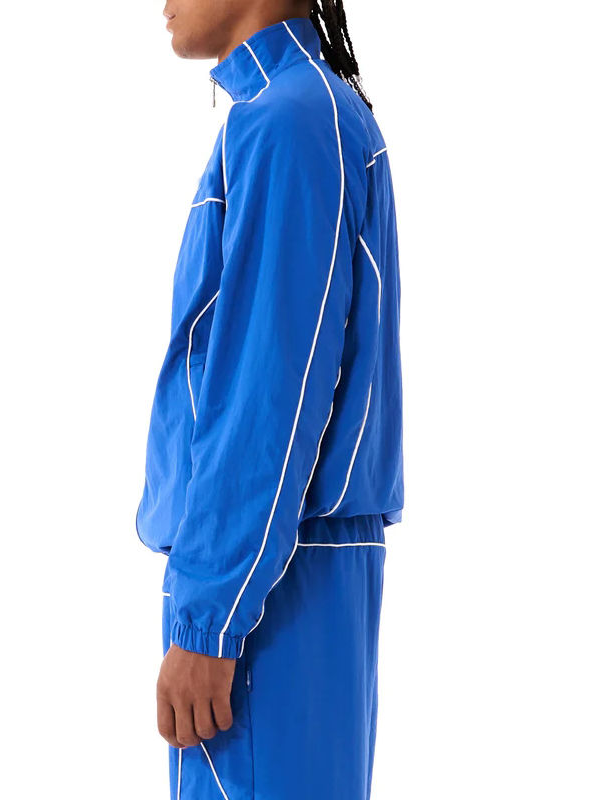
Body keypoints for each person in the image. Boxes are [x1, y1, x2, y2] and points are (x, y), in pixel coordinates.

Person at [136, 1, 403, 797]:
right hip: (284, 570)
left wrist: (210, 618)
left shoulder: (287, 121)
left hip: (268, 589)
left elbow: (267, 389)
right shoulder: (298, 112)